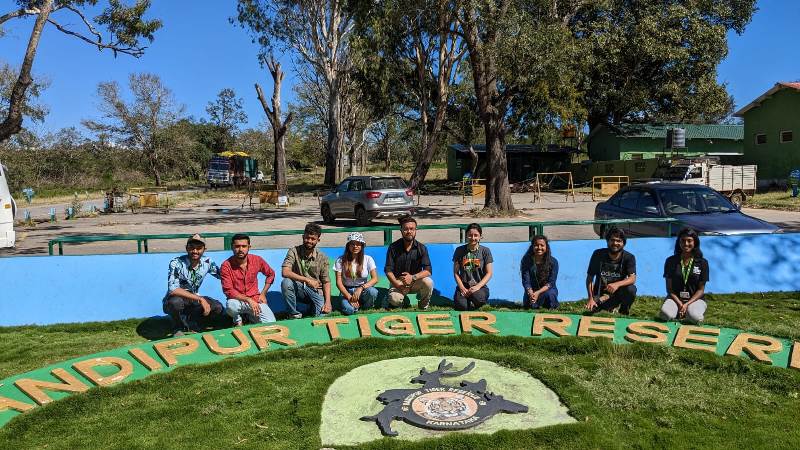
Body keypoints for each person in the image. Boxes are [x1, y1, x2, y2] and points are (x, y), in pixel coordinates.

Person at [163, 234, 225, 335]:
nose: (195, 251)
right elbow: (173, 289)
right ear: (186, 248)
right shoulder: (176, 262)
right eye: (191, 247)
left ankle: (192, 322)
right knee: (175, 303)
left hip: (194, 299)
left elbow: (223, 276)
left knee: (217, 307)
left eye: (199, 248)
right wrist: (200, 299)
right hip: (176, 298)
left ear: (205, 249)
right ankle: (178, 327)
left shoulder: (208, 262)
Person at [222, 234, 277, 325]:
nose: (240, 249)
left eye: (244, 246)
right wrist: (248, 300)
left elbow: (271, 274)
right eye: (237, 246)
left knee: (271, 323)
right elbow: (228, 290)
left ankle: (250, 317)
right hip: (238, 300)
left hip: (256, 299)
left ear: (249, 247)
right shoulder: (226, 265)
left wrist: (263, 294)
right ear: (232, 247)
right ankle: (237, 320)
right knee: (231, 306)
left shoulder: (257, 260)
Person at [281, 223, 332, 318]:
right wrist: (307, 280)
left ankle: (314, 307)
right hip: (299, 288)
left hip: (316, 291)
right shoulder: (293, 251)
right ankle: (293, 314)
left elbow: (326, 281)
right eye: (307, 238)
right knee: (286, 283)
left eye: (313, 239)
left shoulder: (322, 257)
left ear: (318, 240)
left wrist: (328, 302)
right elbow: (285, 272)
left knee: (323, 315)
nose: (309, 241)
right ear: (303, 236)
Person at [659, 228, 709, 324]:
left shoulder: (702, 263)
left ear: (695, 242)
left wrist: (687, 304)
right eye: (683, 241)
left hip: (695, 300)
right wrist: (680, 303)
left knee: (695, 318)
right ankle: (679, 311)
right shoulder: (670, 261)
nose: (686, 244)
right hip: (675, 299)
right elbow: (669, 289)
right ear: (679, 242)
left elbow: (701, 290)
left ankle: (690, 311)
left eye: (689, 241)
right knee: (665, 315)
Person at [385, 215, 434, 309]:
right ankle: (402, 301)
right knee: (394, 299)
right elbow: (388, 270)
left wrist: (412, 277)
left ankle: (423, 306)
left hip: (415, 282)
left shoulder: (422, 248)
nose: (409, 231)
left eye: (412, 229)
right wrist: (397, 284)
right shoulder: (393, 247)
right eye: (406, 229)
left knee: (429, 282)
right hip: (398, 282)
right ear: (401, 231)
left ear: (416, 230)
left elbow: (428, 270)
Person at [586, 227, 637, 315]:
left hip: (617, 294)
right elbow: (590, 278)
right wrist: (590, 298)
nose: (615, 243)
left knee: (631, 289)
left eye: (619, 241)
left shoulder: (629, 257)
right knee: (593, 311)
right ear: (607, 241)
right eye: (612, 240)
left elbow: (632, 278)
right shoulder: (598, 254)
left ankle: (623, 311)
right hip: (599, 295)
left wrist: (617, 284)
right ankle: (606, 306)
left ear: (623, 243)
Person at [335, 232, 379, 315]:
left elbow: (375, 279)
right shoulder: (340, 260)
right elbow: (339, 282)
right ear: (348, 246)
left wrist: (361, 288)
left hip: (363, 290)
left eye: (358, 244)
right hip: (347, 290)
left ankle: (365, 308)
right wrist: (349, 297)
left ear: (362, 246)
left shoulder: (368, 259)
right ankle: (353, 306)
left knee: (373, 292)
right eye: (352, 244)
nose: (355, 246)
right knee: (349, 310)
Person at [451, 223, 493, 311]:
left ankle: (475, 300)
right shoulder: (459, 251)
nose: (473, 238)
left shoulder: (485, 251)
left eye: (476, 235)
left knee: (479, 298)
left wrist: (477, 287)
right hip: (464, 287)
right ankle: (466, 301)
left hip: (479, 287)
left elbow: (489, 273)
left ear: (480, 236)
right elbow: (455, 272)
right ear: (466, 236)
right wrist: (462, 288)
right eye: (470, 235)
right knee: (462, 306)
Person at [520, 235, 559, 309]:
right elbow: (526, 281)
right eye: (536, 245)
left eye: (542, 245)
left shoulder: (553, 262)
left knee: (550, 295)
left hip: (547, 290)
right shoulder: (526, 261)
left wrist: (538, 292)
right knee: (530, 306)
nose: (539, 248)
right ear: (532, 247)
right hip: (532, 291)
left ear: (546, 247)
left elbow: (551, 282)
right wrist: (531, 293)